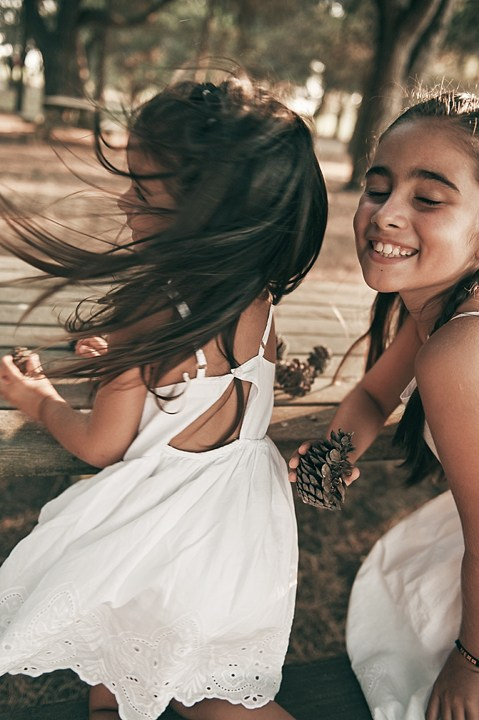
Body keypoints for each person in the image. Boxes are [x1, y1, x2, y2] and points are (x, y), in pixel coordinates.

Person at [0, 75, 328, 720]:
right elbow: (215, 381)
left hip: (163, 525)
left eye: (143, 187)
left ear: (209, 210)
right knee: (191, 681)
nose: (124, 199)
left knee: (153, 672)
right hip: (237, 518)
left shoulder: (150, 308)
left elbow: (103, 445)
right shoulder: (257, 295)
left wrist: (33, 394)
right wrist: (126, 362)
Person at [289, 90, 479, 720]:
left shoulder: (460, 350)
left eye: (427, 199)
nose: (387, 214)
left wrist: (470, 662)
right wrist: (339, 449)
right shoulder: (434, 310)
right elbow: (375, 393)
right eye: (377, 188)